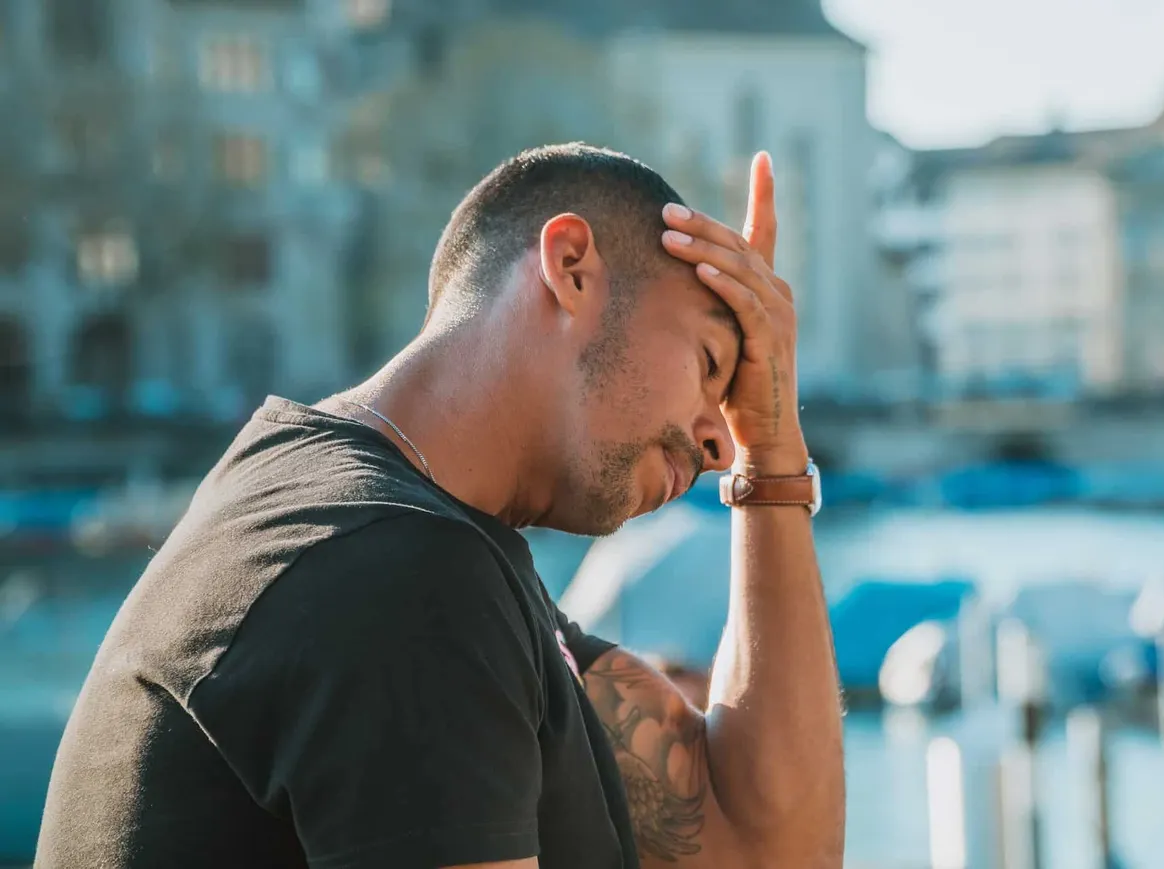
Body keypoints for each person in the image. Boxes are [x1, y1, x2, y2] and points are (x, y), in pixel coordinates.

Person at [36, 143, 844, 869]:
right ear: (570, 266)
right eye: (710, 364)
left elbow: (762, 845)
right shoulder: (391, 570)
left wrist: (773, 451)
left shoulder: (377, 531)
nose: (720, 441)